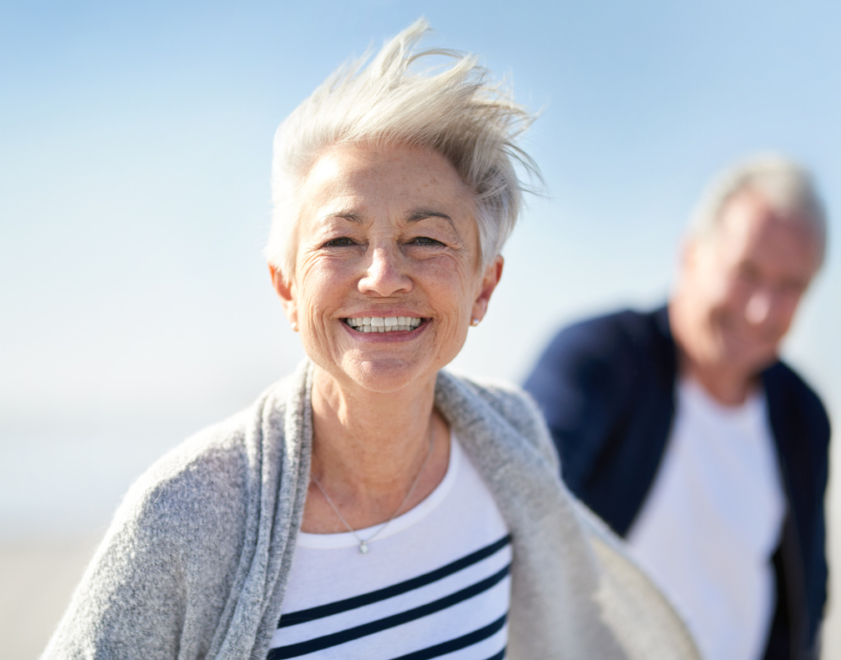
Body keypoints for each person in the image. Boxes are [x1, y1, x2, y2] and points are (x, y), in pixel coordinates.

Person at [42, 21, 698, 660]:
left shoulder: (510, 440)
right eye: (341, 240)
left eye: (426, 239)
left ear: (484, 287)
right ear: (286, 289)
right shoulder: (187, 513)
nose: (383, 277)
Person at [524, 156, 830, 660]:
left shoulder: (803, 415)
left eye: (790, 287)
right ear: (690, 255)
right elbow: (518, 511)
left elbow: (808, 594)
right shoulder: (598, 360)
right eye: (746, 272)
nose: (761, 309)